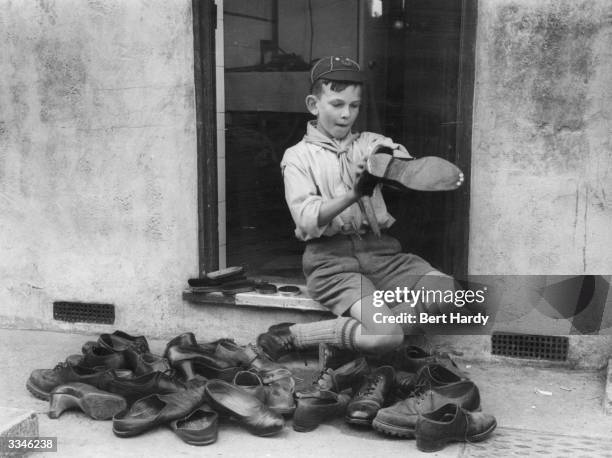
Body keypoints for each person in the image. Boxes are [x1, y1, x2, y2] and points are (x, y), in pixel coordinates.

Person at [257, 56, 464, 361]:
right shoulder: (297, 157)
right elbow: (306, 218)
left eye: (354, 106)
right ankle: (296, 335)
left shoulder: (370, 141)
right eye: (337, 104)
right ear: (314, 104)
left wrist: (384, 162)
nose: (346, 115)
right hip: (333, 264)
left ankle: (354, 334)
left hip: (383, 255)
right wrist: (355, 193)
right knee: (386, 336)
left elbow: (392, 151)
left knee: (451, 294)